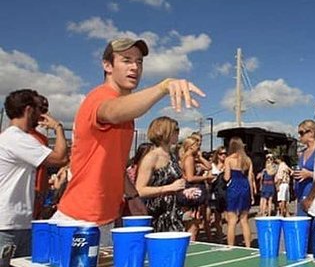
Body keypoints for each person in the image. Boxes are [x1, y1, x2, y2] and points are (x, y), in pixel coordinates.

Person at [53, 38, 205, 246]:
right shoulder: (99, 98)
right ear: (107, 65)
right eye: (126, 60)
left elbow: (114, 164)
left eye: (139, 62)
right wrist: (163, 86)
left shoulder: (128, 116)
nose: (135, 67)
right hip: (79, 220)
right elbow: (112, 111)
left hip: (104, 218)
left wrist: (132, 196)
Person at [0, 89, 68, 267]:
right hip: (7, 225)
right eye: (39, 109)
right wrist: (58, 127)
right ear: (29, 110)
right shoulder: (17, 138)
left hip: (18, 222)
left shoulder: (14, 138)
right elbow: (60, 157)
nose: (42, 115)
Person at [135, 117, 188, 233]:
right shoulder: (152, 157)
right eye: (175, 130)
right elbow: (139, 190)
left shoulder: (172, 155)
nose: (178, 133)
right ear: (166, 132)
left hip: (174, 213)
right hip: (158, 216)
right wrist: (169, 188)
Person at [224, 137, 256, 247]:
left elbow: (227, 177)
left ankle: (231, 246)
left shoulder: (228, 159)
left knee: (232, 220)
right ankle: (248, 245)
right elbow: (250, 179)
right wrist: (252, 195)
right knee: (244, 219)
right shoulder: (247, 160)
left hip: (233, 187)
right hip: (245, 187)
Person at [179, 135, 210, 240]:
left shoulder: (188, 158)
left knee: (192, 222)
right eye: (197, 145)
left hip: (190, 190)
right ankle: (191, 245)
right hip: (192, 190)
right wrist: (205, 177)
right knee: (193, 225)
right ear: (191, 146)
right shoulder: (189, 158)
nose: (199, 147)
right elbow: (190, 178)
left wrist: (200, 157)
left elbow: (209, 166)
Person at [294, 119, 315, 216]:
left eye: (301, 133)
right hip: (301, 195)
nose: (299, 136)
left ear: (311, 133)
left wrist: (309, 174)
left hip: (314, 197)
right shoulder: (303, 152)